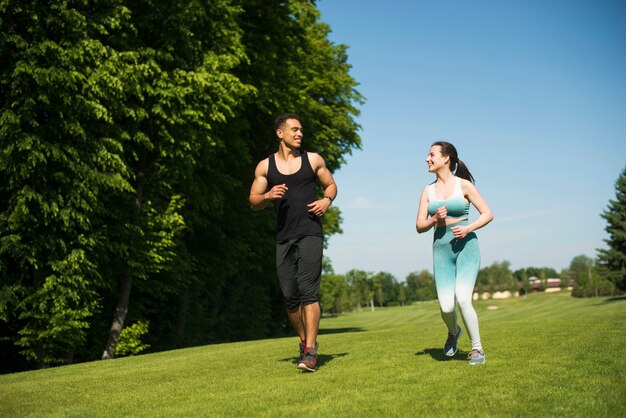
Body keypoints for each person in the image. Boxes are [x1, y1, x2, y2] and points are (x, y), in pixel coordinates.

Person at [249, 113, 337, 372]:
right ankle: (303, 341)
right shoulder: (266, 167)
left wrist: (326, 200)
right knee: (290, 297)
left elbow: (330, 184)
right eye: (295, 130)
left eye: (301, 131)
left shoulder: (313, 160)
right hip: (283, 236)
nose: (300, 134)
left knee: (308, 292)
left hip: (310, 232)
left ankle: (311, 351)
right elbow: (253, 201)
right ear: (280, 133)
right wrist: (267, 196)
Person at [415, 141, 493, 365]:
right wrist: (433, 219)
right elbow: (419, 226)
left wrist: (468, 228)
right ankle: (453, 331)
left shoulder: (464, 186)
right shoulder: (427, 190)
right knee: (446, 306)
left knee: (463, 299)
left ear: (446, 158)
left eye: (431, 155)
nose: (427, 159)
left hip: (466, 246)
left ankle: (477, 350)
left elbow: (488, 213)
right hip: (441, 250)